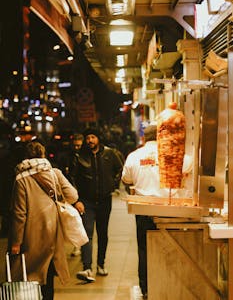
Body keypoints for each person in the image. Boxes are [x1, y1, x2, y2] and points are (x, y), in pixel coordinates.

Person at [121, 124, 192, 299]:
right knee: (171, 247)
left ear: (144, 138)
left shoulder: (134, 156)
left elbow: (126, 179)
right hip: (170, 210)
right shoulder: (176, 155)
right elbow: (189, 166)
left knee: (145, 249)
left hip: (144, 209)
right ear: (162, 137)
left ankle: (146, 289)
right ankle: (170, 284)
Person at [8, 141, 80, 300]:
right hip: (52, 229)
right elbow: (73, 196)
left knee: (29, 273)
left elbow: (19, 213)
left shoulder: (20, 178)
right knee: (49, 272)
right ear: (43, 154)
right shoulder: (54, 173)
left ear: (26, 156)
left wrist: (16, 242)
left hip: (30, 234)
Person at [71, 127, 123, 282]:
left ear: (98, 138)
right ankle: (87, 267)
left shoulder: (109, 153)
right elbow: (72, 177)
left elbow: (119, 170)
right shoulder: (79, 156)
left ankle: (101, 263)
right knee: (86, 233)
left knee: (102, 233)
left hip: (104, 200)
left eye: (93, 137)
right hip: (86, 201)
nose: (90, 140)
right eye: (88, 138)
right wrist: (76, 199)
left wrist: (112, 185)